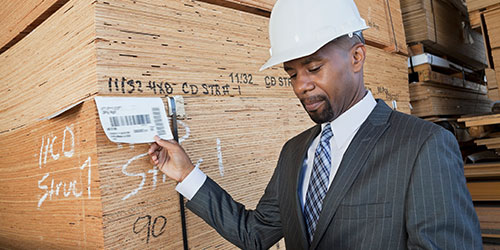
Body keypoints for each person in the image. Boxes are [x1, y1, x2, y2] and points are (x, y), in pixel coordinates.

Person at [149, 0, 482, 249]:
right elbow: (255, 234)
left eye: (313, 68)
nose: (300, 86)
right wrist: (186, 174)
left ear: (357, 57)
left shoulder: (422, 146)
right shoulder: (295, 152)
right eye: (292, 74)